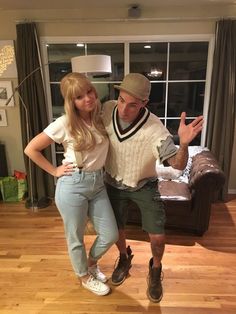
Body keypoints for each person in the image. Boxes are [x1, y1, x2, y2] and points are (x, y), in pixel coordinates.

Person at [101, 73, 203, 302]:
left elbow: (177, 165)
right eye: (122, 100)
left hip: (144, 186)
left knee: (157, 236)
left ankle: (155, 270)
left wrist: (184, 144)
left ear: (145, 104)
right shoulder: (107, 109)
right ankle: (124, 258)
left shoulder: (155, 129)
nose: (124, 109)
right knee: (117, 229)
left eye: (133, 105)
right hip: (112, 183)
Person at [24, 72, 118, 296]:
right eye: (79, 97)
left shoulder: (100, 116)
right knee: (75, 237)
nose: (87, 98)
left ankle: (92, 264)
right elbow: (31, 149)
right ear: (71, 101)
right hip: (73, 185)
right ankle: (84, 276)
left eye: (89, 91)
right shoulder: (64, 123)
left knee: (110, 234)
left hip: (98, 183)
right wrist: (55, 170)